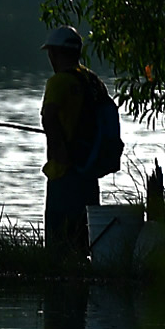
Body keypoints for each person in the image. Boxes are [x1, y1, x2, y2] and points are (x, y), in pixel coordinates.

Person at [40, 24, 115, 252]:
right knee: (83, 240)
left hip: (65, 173)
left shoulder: (59, 82)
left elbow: (49, 118)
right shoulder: (93, 81)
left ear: (55, 53)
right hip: (89, 169)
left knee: (58, 244)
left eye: (51, 53)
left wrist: (60, 154)